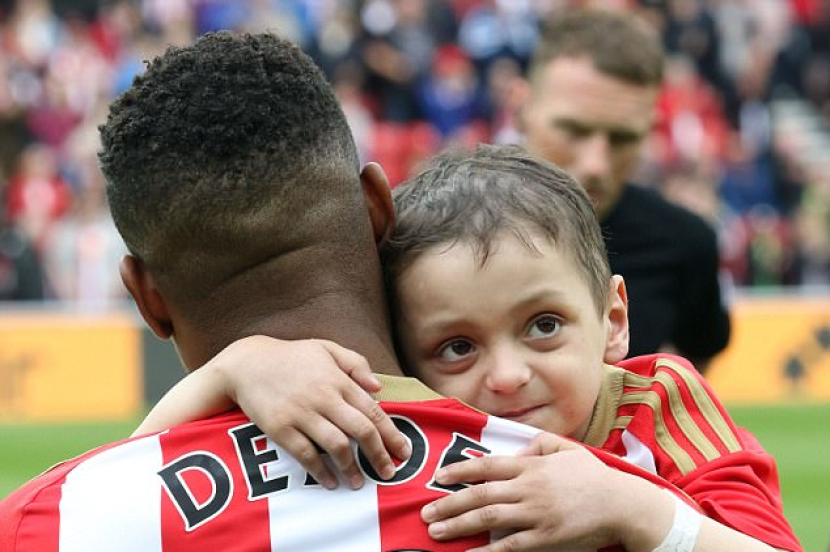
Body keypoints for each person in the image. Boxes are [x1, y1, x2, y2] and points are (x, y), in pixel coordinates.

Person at [0, 31, 712, 552]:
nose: (506, 374)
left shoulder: (55, 521)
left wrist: (222, 373)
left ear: (147, 298)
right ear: (378, 208)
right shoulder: (597, 492)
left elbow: (115, 494)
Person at [135, 144, 802, 552]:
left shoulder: (657, 402)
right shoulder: (400, 429)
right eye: (457, 347)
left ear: (614, 320)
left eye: (545, 325)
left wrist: (630, 509)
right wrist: (231, 369)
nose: (507, 376)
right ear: (405, 360)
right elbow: (126, 500)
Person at [512, 8, 731, 372]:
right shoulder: (434, 234)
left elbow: (697, 369)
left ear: (651, 127)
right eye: (574, 130)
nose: (596, 164)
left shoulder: (686, 243)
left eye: (622, 138)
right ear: (520, 106)